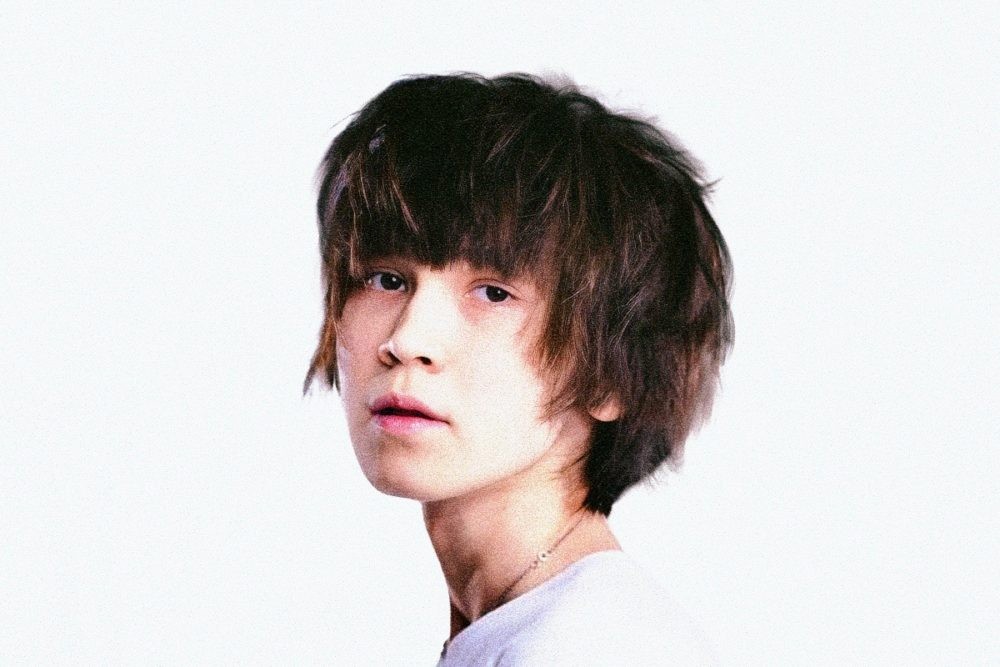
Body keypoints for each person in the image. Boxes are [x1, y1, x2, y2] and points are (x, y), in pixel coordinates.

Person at [305, 73, 733, 665]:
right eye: (387, 279)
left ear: (611, 375)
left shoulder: (585, 648)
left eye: (493, 293)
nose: (407, 340)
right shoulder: (528, 627)